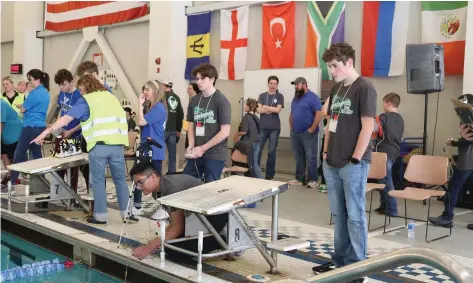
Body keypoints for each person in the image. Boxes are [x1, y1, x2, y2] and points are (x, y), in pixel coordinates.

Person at [312, 43, 377, 283]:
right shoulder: (337, 88)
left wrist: (356, 157)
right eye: (329, 66)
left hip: (353, 163)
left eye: (335, 66)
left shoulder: (365, 88)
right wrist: (326, 153)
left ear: (349, 62)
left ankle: (357, 267)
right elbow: (331, 122)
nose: (332, 71)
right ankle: (339, 261)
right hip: (332, 161)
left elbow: (368, 126)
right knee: (339, 214)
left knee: (355, 215)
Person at [31, 74, 130, 224]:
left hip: (99, 146)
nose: (81, 93)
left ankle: (100, 216)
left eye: (82, 90)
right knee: (120, 180)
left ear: (86, 88)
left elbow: (66, 118)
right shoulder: (111, 96)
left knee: (97, 181)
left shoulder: (87, 100)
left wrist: (45, 133)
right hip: (118, 145)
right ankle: (126, 214)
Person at [129, 161, 228, 262]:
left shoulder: (171, 188)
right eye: (136, 184)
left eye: (140, 182)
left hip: (216, 217)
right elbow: (174, 223)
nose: (138, 188)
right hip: (200, 220)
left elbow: (178, 228)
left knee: (176, 253)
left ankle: (224, 240)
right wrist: (157, 242)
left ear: (153, 176)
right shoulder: (159, 191)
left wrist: (148, 248)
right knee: (169, 245)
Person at [429, 94, 473, 228]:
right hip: (467, 159)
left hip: (467, 161)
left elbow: (468, 140)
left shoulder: (468, 120)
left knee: (453, 188)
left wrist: (454, 142)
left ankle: (447, 217)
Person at [184, 63, 231, 183]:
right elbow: (191, 124)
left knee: (210, 189)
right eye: (197, 78)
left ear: (212, 79)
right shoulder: (194, 100)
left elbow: (225, 132)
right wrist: (191, 144)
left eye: (202, 78)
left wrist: (203, 148)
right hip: (196, 152)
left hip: (214, 154)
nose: (199, 82)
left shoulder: (221, 100)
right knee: (187, 182)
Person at [131, 80, 167, 219]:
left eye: (148, 89)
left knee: (156, 180)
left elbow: (141, 122)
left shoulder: (159, 108)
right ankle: (137, 205)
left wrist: (139, 104)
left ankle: (164, 208)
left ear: (155, 91)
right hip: (145, 147)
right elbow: (138, 122)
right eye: (144, 89)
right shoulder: (149, 107)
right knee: (137, 175)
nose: (145, 92)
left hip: (155, 149)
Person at [9, 69, 51, 186]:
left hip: (30, 126)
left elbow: (23, 109)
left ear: (37, 79)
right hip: (40, 127)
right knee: (37, 156)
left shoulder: (35, 93)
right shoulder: (45, 92)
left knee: (19, 153)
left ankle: (10, 182)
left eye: (31, 80)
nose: (30, 83)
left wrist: (22, 106)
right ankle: (43, 184)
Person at [52, 69, 90, 195]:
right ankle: (59, 192)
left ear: (71, 81)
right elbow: (61, 113)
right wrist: (57, 127)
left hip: (76, 135)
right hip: (63, 133)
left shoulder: (79, 95)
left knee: (75, 169)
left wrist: (72, 130)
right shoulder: (62, 94)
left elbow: (84, 119)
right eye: (60, 85)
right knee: (59, 166)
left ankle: (74, 194)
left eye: (64, 84)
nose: (62, 87)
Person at [373, 93, 404, 217]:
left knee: (386, 180)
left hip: (384, 151)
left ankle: (392, 208)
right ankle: (384, 206)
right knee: (382, 178)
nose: (383, 105)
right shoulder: (400, 118)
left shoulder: (383, 117)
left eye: (384, 103)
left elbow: (374, 129)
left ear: (389, 103)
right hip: (395, 151)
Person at [288, 77, 322, 188]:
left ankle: (313, 180)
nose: (296, 86)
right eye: (295, 85)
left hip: (308, 133)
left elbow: (318, 113)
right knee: (299, 157)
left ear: (305, 84)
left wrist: (312, 128)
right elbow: (292, 112)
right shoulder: (296, 98)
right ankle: (299, 179)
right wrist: (291, 126)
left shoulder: (313, 97)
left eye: (298, 84)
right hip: (295, 133)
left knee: (311, 156)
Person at [257, 76, 284, 180]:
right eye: (271, 83)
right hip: (262, 127)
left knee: (271, 151)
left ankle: (269, 175)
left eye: (275, 83)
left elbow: (278, 110)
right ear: (268, 84)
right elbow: (258, 110)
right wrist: (270, 109)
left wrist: (265, 107)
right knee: (258, 150)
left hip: (274, 128)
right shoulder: (262, 95)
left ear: (277, 85)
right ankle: (256, 171)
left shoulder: (280, 96)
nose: (272, 85)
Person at [236, 98, 264, 179]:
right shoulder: (256, 117)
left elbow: (244, 132)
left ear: (249, 107)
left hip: (249, 144)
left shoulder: (246, 117)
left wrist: (237, 133)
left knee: (252, 165)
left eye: (245, 105)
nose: (244, 106)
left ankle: (262, 181)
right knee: (255, 164)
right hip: (257, 143)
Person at [162, 79, 184, 173]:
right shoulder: (176, 97)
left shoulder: (161, 97)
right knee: (172, 154)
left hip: (162, 130)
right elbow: (180, 115)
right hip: (173, 130)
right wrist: (178, 129)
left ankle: (159, 174)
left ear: (164, 85)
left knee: (160, 154)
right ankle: (172, 174)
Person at [0, 100, 23, 190]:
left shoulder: (1, 105)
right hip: (5, 134)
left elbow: (1, 123)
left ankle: (13, 177)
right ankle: (10, 174)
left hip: (14, 132)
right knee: (3, 154)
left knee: (14, 156)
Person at [184, 83, 200, 150]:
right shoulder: (191, 99)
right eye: (188, 88)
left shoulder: (196, 100)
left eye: (190, 89)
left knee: (190, 146)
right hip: (189, 125)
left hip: (195, 127)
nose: (188, 90)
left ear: (195, 90)